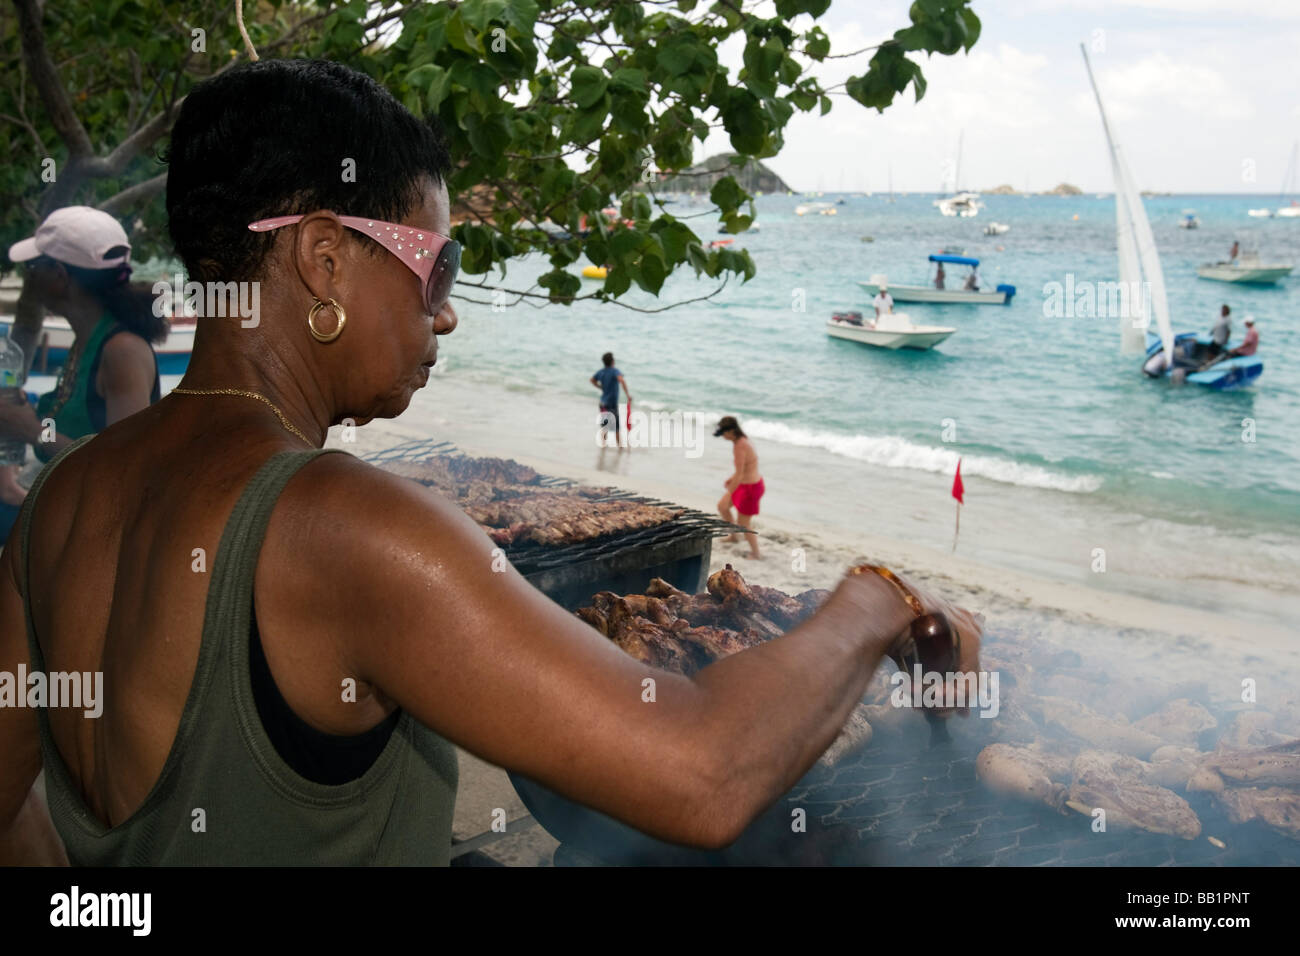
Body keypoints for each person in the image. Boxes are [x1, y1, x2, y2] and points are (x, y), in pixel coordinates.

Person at [0, 59, 981, 866]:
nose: (448, 310)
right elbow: (704, 771)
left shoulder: (62, 495)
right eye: (438, 265)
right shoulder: (343, 525)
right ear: (326, 261)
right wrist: (873, 599)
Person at [0, 206, 165, 542]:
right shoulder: (86, 339)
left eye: (34, 267)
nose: (29, 275)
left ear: (59, 276)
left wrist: (32, 430)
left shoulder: (122, 352)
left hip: (95, 538)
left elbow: (125, 472)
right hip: (65, 511)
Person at [714, 416, 764, 560]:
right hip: (744, 483)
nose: (723, 436)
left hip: (751, 488)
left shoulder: (740, 446)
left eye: (723, 433)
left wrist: (729, 493)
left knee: (744, 523)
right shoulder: (742, 440)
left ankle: (756, 553)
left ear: (731, 431)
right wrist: (732, 479)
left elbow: (741, 472)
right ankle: (734, 536)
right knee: (722, 507)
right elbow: (747, 467)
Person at [590, 351, 629, 447]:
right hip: (611, 404)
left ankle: (603, 445)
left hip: (603, 403)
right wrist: (627, 395)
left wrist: (600, 387)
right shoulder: (615, 371)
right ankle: (620, 447)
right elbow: (621, 380)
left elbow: (592, 380)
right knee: (616, 427)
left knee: (604, 426)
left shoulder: (601, 372)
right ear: (612, 361)